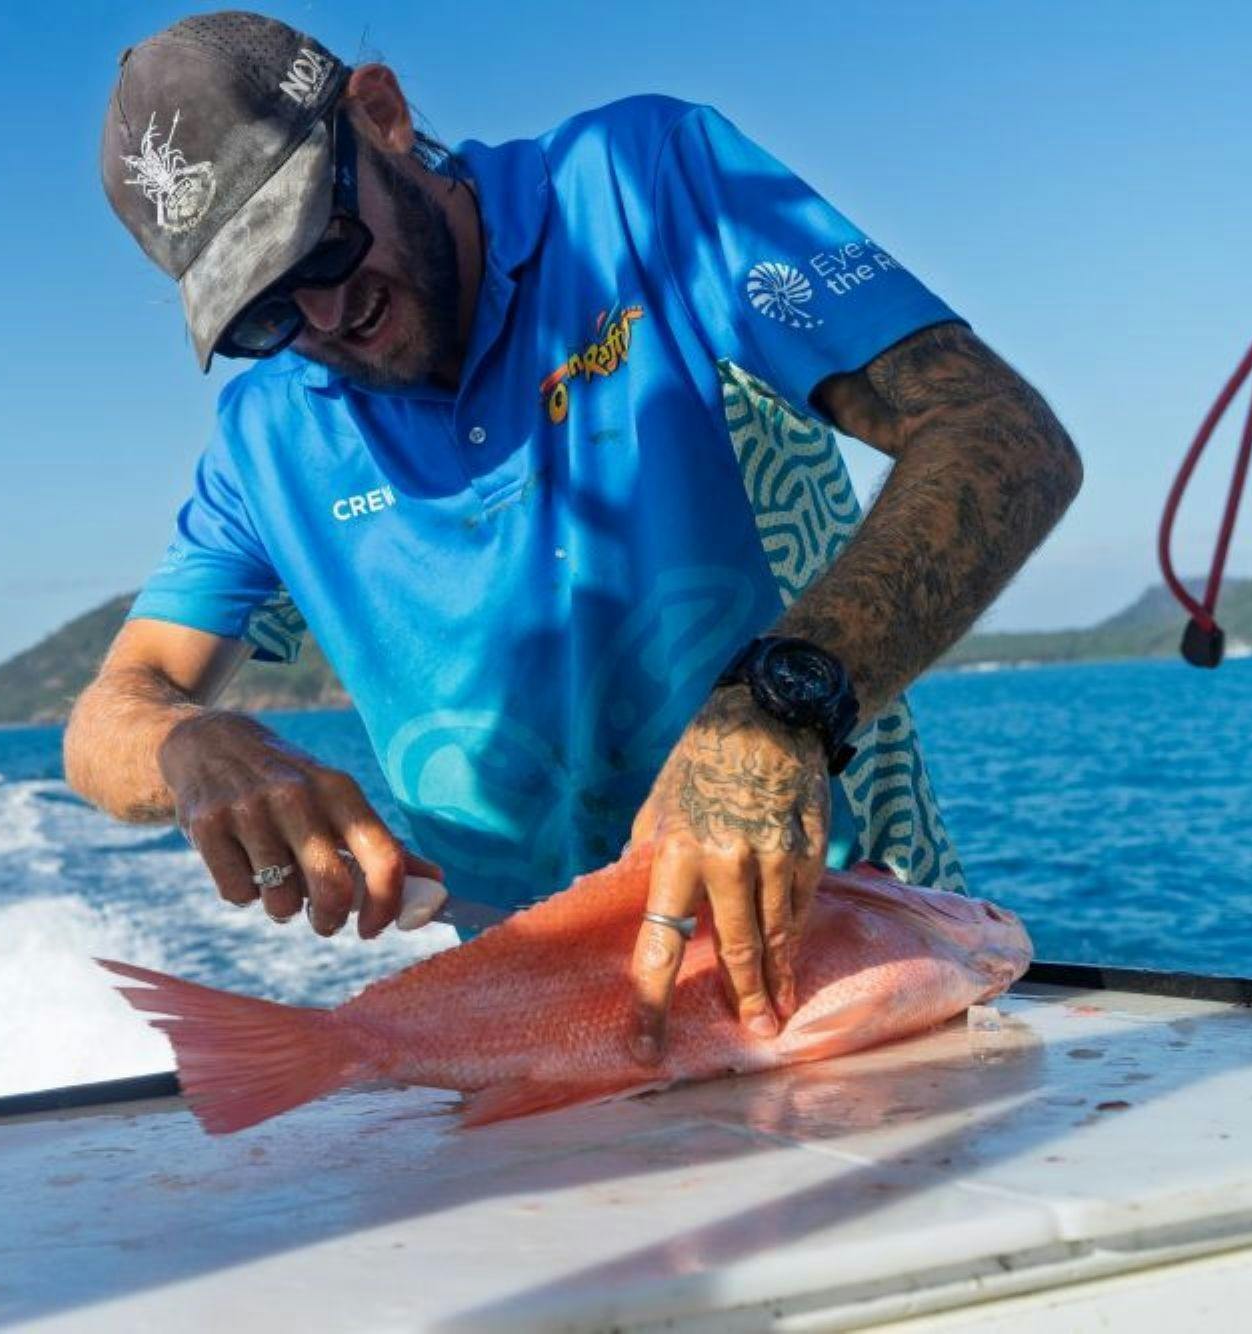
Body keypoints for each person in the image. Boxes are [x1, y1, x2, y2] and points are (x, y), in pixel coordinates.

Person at [65, 11, 1080, 1063]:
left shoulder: (642, 188)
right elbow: (112, 710)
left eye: (320, 246)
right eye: (261, 314)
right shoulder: (268, 437)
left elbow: (998, 435)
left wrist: (777, 706)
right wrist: (194, 747)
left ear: (381, 114)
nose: (323, 318)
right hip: (550, 1038)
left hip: (850, 967)